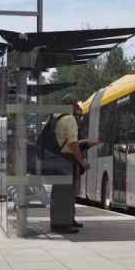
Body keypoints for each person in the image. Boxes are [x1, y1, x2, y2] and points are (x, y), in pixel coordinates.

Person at [48, 93, 100, 234]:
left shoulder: (55, 118)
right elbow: (73, 144)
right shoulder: (69, 119)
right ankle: (62, 225)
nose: (77, 107)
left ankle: (65, 221)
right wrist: (82, 162)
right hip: (67, 160)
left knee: (59, 193)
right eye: (75, 104)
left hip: (57, 159)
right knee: (66, 194)